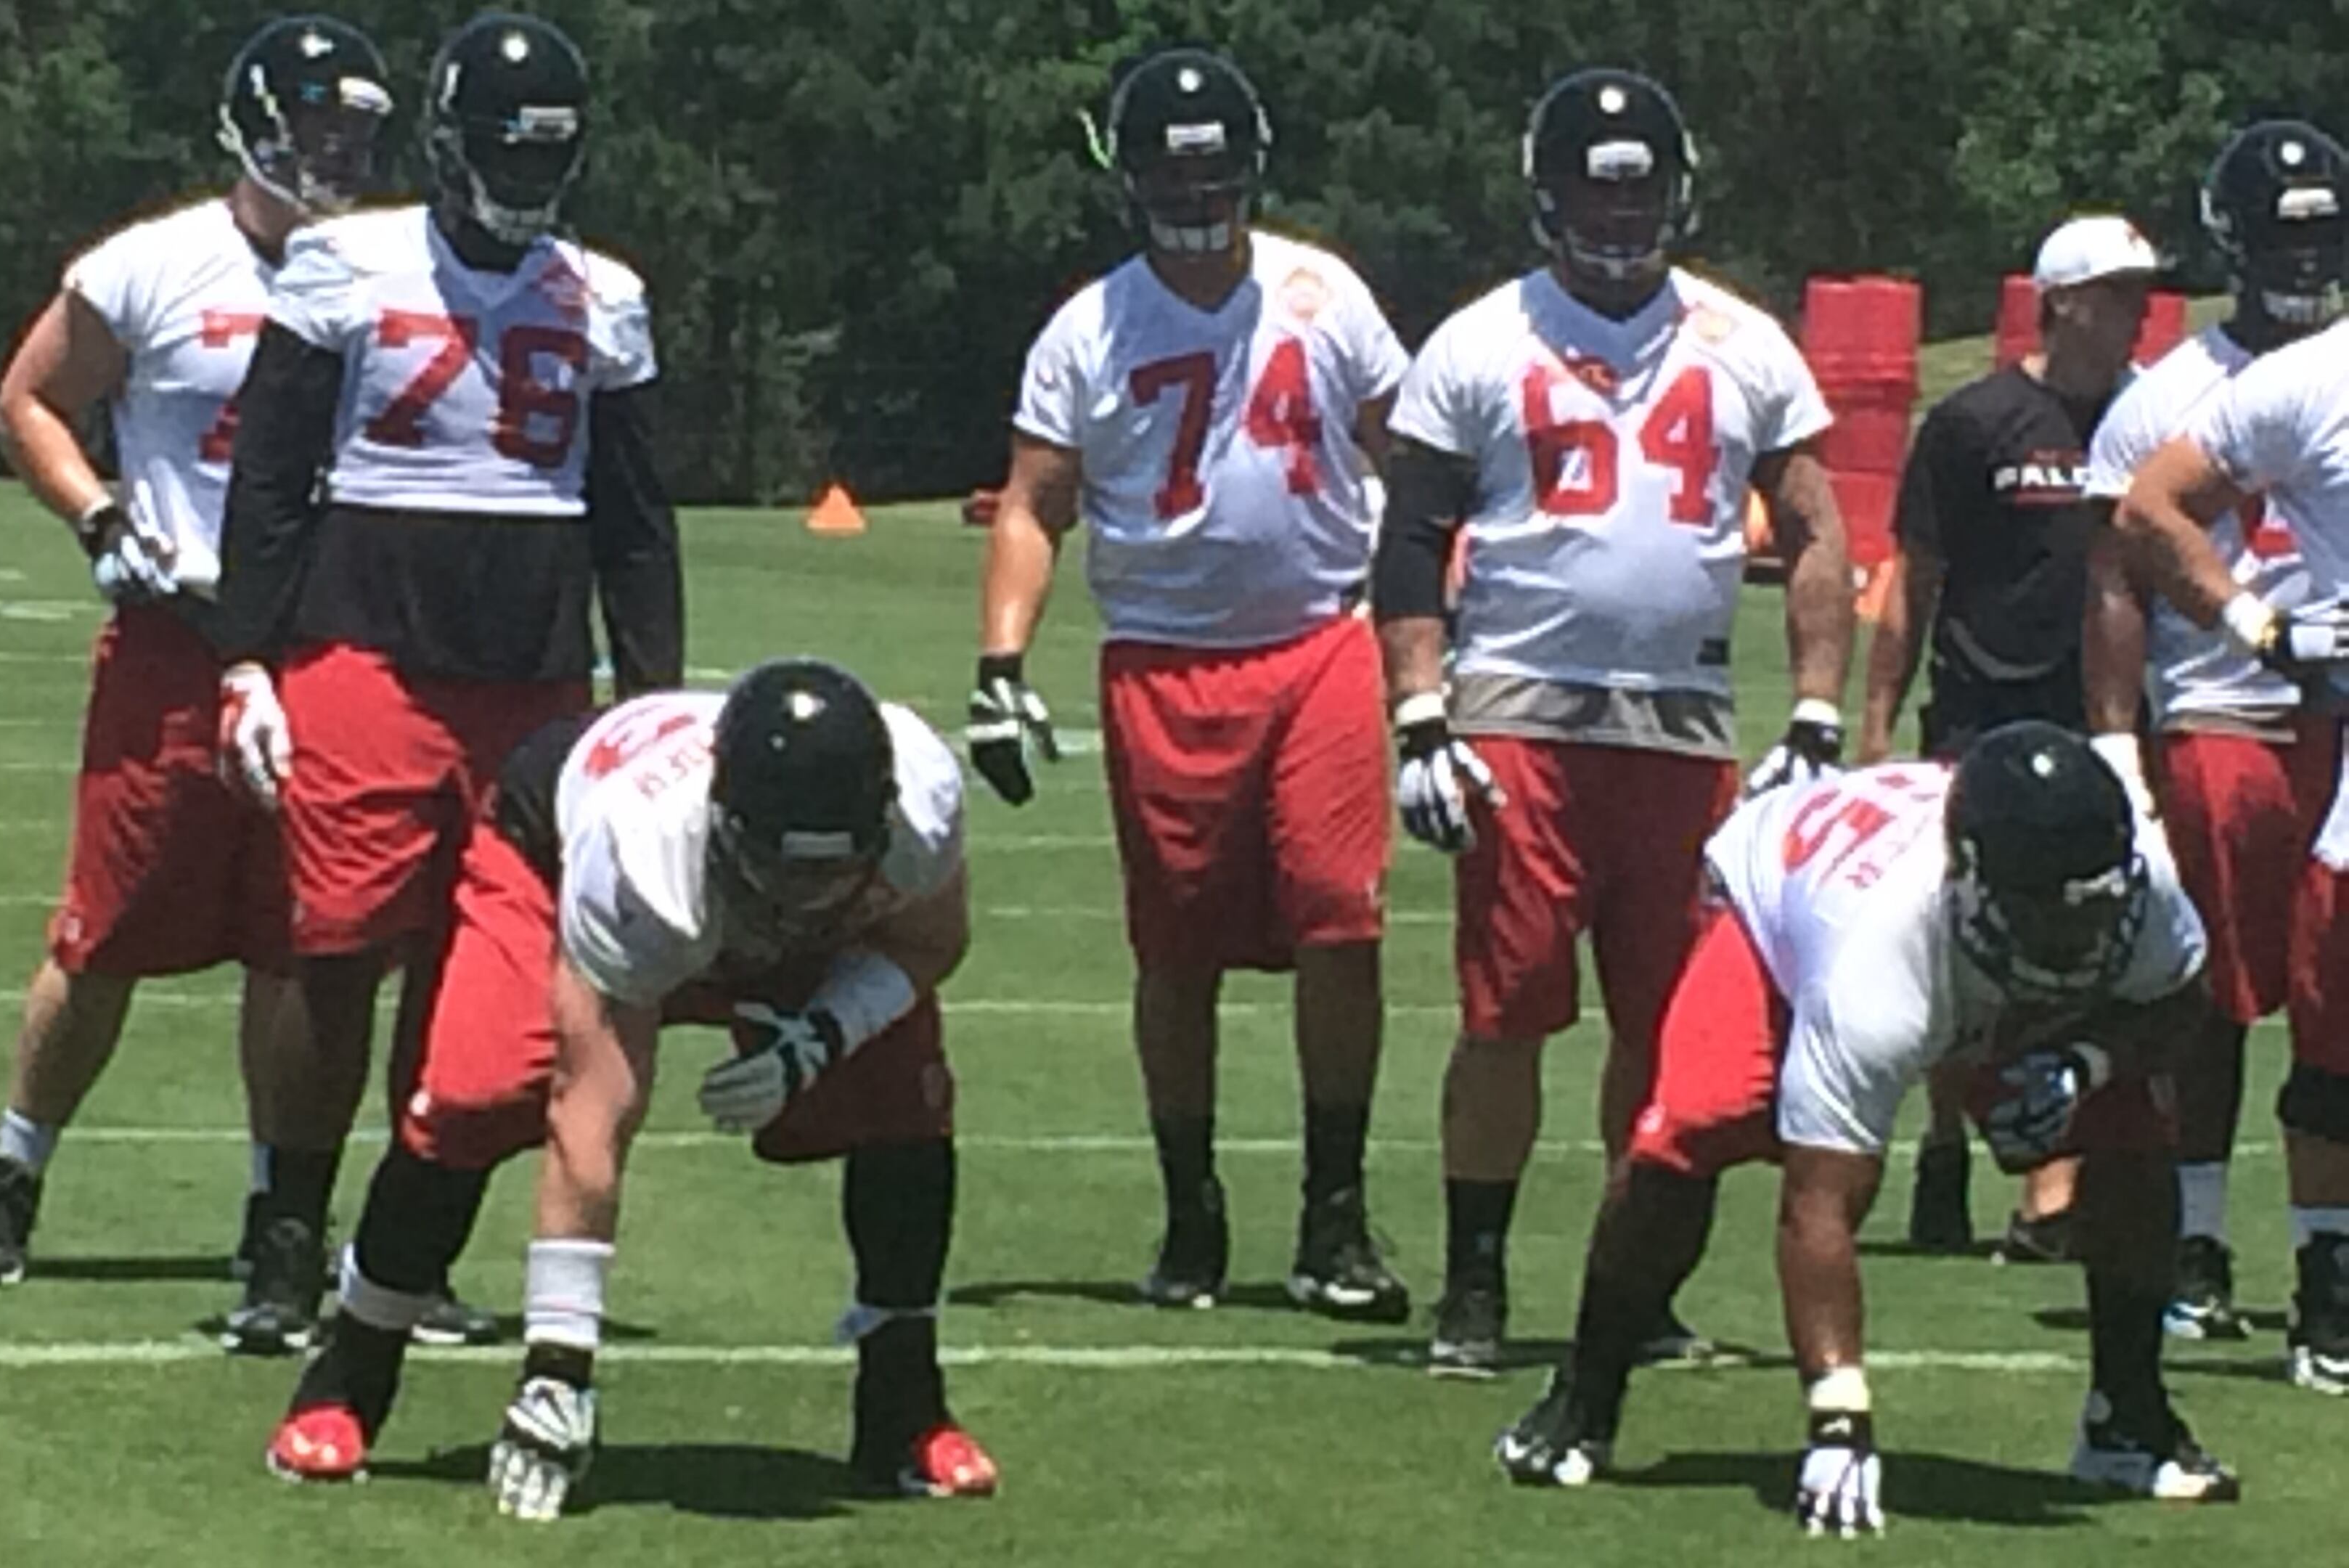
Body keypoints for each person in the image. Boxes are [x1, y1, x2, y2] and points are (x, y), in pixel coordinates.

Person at [0, 13, 444, 1331]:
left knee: (307, 943)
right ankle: (12, 1172)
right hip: (182, 630)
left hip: (332, 640)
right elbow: (25, 401)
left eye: (353, 130)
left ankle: (282, 1219)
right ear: (251, 122)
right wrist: (102, 517)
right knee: (107, 927)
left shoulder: (391, 267)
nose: (334, 150)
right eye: (313, 122)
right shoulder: (157, 264)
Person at [204, 9, 680, 1355]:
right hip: (368, 643)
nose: (525, 186)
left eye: (547, 161)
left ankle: (408, 1250)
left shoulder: (607, 295)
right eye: (505, 156)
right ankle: (286, 1239)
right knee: (336, 947)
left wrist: (650, 691)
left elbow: (637, 519)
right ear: (450, 142)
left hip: (533, 667)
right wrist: (250, 654)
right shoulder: (347, 264)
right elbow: (274, 477)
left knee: (491, 968)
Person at [1371, 67, 1855, 1374]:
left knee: (1670, 1029)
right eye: (1596, 189)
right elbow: (1410, 541)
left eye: (1638, 191)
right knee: (1505, 1015)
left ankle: (1629, 1292)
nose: (1619, 216)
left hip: (1685, 725)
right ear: (1548, 195)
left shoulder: (1743, 338)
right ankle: (1474, 1289)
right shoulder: (1478, 340)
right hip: (1521, 715)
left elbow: (1815, 529)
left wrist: (1815, 712)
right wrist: (1421, 713)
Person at [266, 661, 1000, 1511]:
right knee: (476, 1094)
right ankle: (350, 1372)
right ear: (727, 821)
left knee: (900, 1101)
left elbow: (928, 946)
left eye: (833, 874)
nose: (808, 901)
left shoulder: (921, 797)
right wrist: (558, 1366)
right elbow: (594, 1116)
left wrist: (821, 1036)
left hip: (724, 885)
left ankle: (906, 1404)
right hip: (548, 853)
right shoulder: (644, 857)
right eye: (788, 872)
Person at [1495, 726, 2239, 1528]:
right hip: (1778, 902)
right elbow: (1818, 1204)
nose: (2082, 938)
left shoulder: (2139, 884)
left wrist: (2085, 1065)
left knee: (2135, 1137)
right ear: (1974, 880)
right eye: (2049, 916)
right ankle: (1587, 1393)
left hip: (1954, 939)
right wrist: (1839, 1421)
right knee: (1688, 1132)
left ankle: (2128, 1419)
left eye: (2093, 911)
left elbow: (2177, 1006)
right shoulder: (1876, 949)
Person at [969, 45, 1411, 1321]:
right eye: (1170, 167)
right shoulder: (1088, 328)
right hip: (1162, 655)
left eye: (1211, 166)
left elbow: (1410, 457)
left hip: (1321, 636)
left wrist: (1438, 617)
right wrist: (1002, 667)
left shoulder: (1324, 292)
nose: (1193, 189)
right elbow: (1033, 505)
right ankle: (1192, 1212)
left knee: (1343, 914)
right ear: (1130, 177)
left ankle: (1335, 1214)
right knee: (1176, 951)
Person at [2081, 120, 2346, 1348]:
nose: (2305, 257)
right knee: (2214, 997)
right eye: (2284, 234)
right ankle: (2193, 1234)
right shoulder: (2173, 396)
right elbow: (2123, 574)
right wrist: (2119, 741)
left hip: (2333, 728)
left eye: (2323, 232)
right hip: (2228, 710)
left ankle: (2317, 1252)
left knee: (2331, 1001)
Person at [1860, 214, 2157, 1261]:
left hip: (2108, 724)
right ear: (2062, 299)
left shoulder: (2155, 419)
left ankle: (2051, 1190)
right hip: (1982, 712)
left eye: (2140, 293)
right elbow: (1916, 582)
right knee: (1962, 952)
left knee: (2089, 955)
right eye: (2114, 292)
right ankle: (1944, 1149)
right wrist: (1879, 728)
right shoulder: (1977, 420)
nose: (2133, 312)